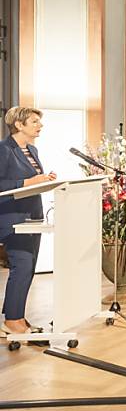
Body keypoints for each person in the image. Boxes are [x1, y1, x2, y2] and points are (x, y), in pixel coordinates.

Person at [0, 107, 56, 336]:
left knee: (28, 267)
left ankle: (18, 318)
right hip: (13, 218)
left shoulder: (32, 150)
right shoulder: (3, 150)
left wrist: (45, 180)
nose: (40, 126)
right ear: (19, 125)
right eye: (35, 122)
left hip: (34, 216)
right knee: (21, 266)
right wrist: (29, 182)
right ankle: (12, 321)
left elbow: (33, 182)